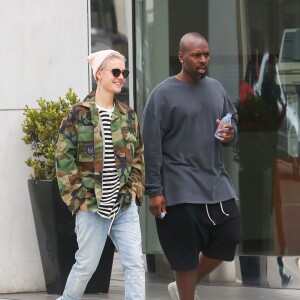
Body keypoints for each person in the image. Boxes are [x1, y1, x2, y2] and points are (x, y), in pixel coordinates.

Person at [142, 32, 242, 300]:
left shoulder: (216, 89)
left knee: (230, 235)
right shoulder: (161, 96)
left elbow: (232, 126)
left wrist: (230, 134)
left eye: (206, 54)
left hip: (216, 184)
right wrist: (154, 190)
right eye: (196, 55)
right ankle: (186, 292)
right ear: (181, 57)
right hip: (178, 188)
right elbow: (151, 147)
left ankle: (183, 286)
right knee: (184, 257)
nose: (203, 60)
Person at [55, 49, 145, 300]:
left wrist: (133, 190)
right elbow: (63, 161)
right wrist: (79, 201)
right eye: (115, 72)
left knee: (135, 265)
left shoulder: (128, 115)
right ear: (99, 74)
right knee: (85, 266)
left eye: (124, 73)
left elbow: (138, 156)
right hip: (92, 206)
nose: (121, 77)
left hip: (123, 206)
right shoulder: (77, 114)